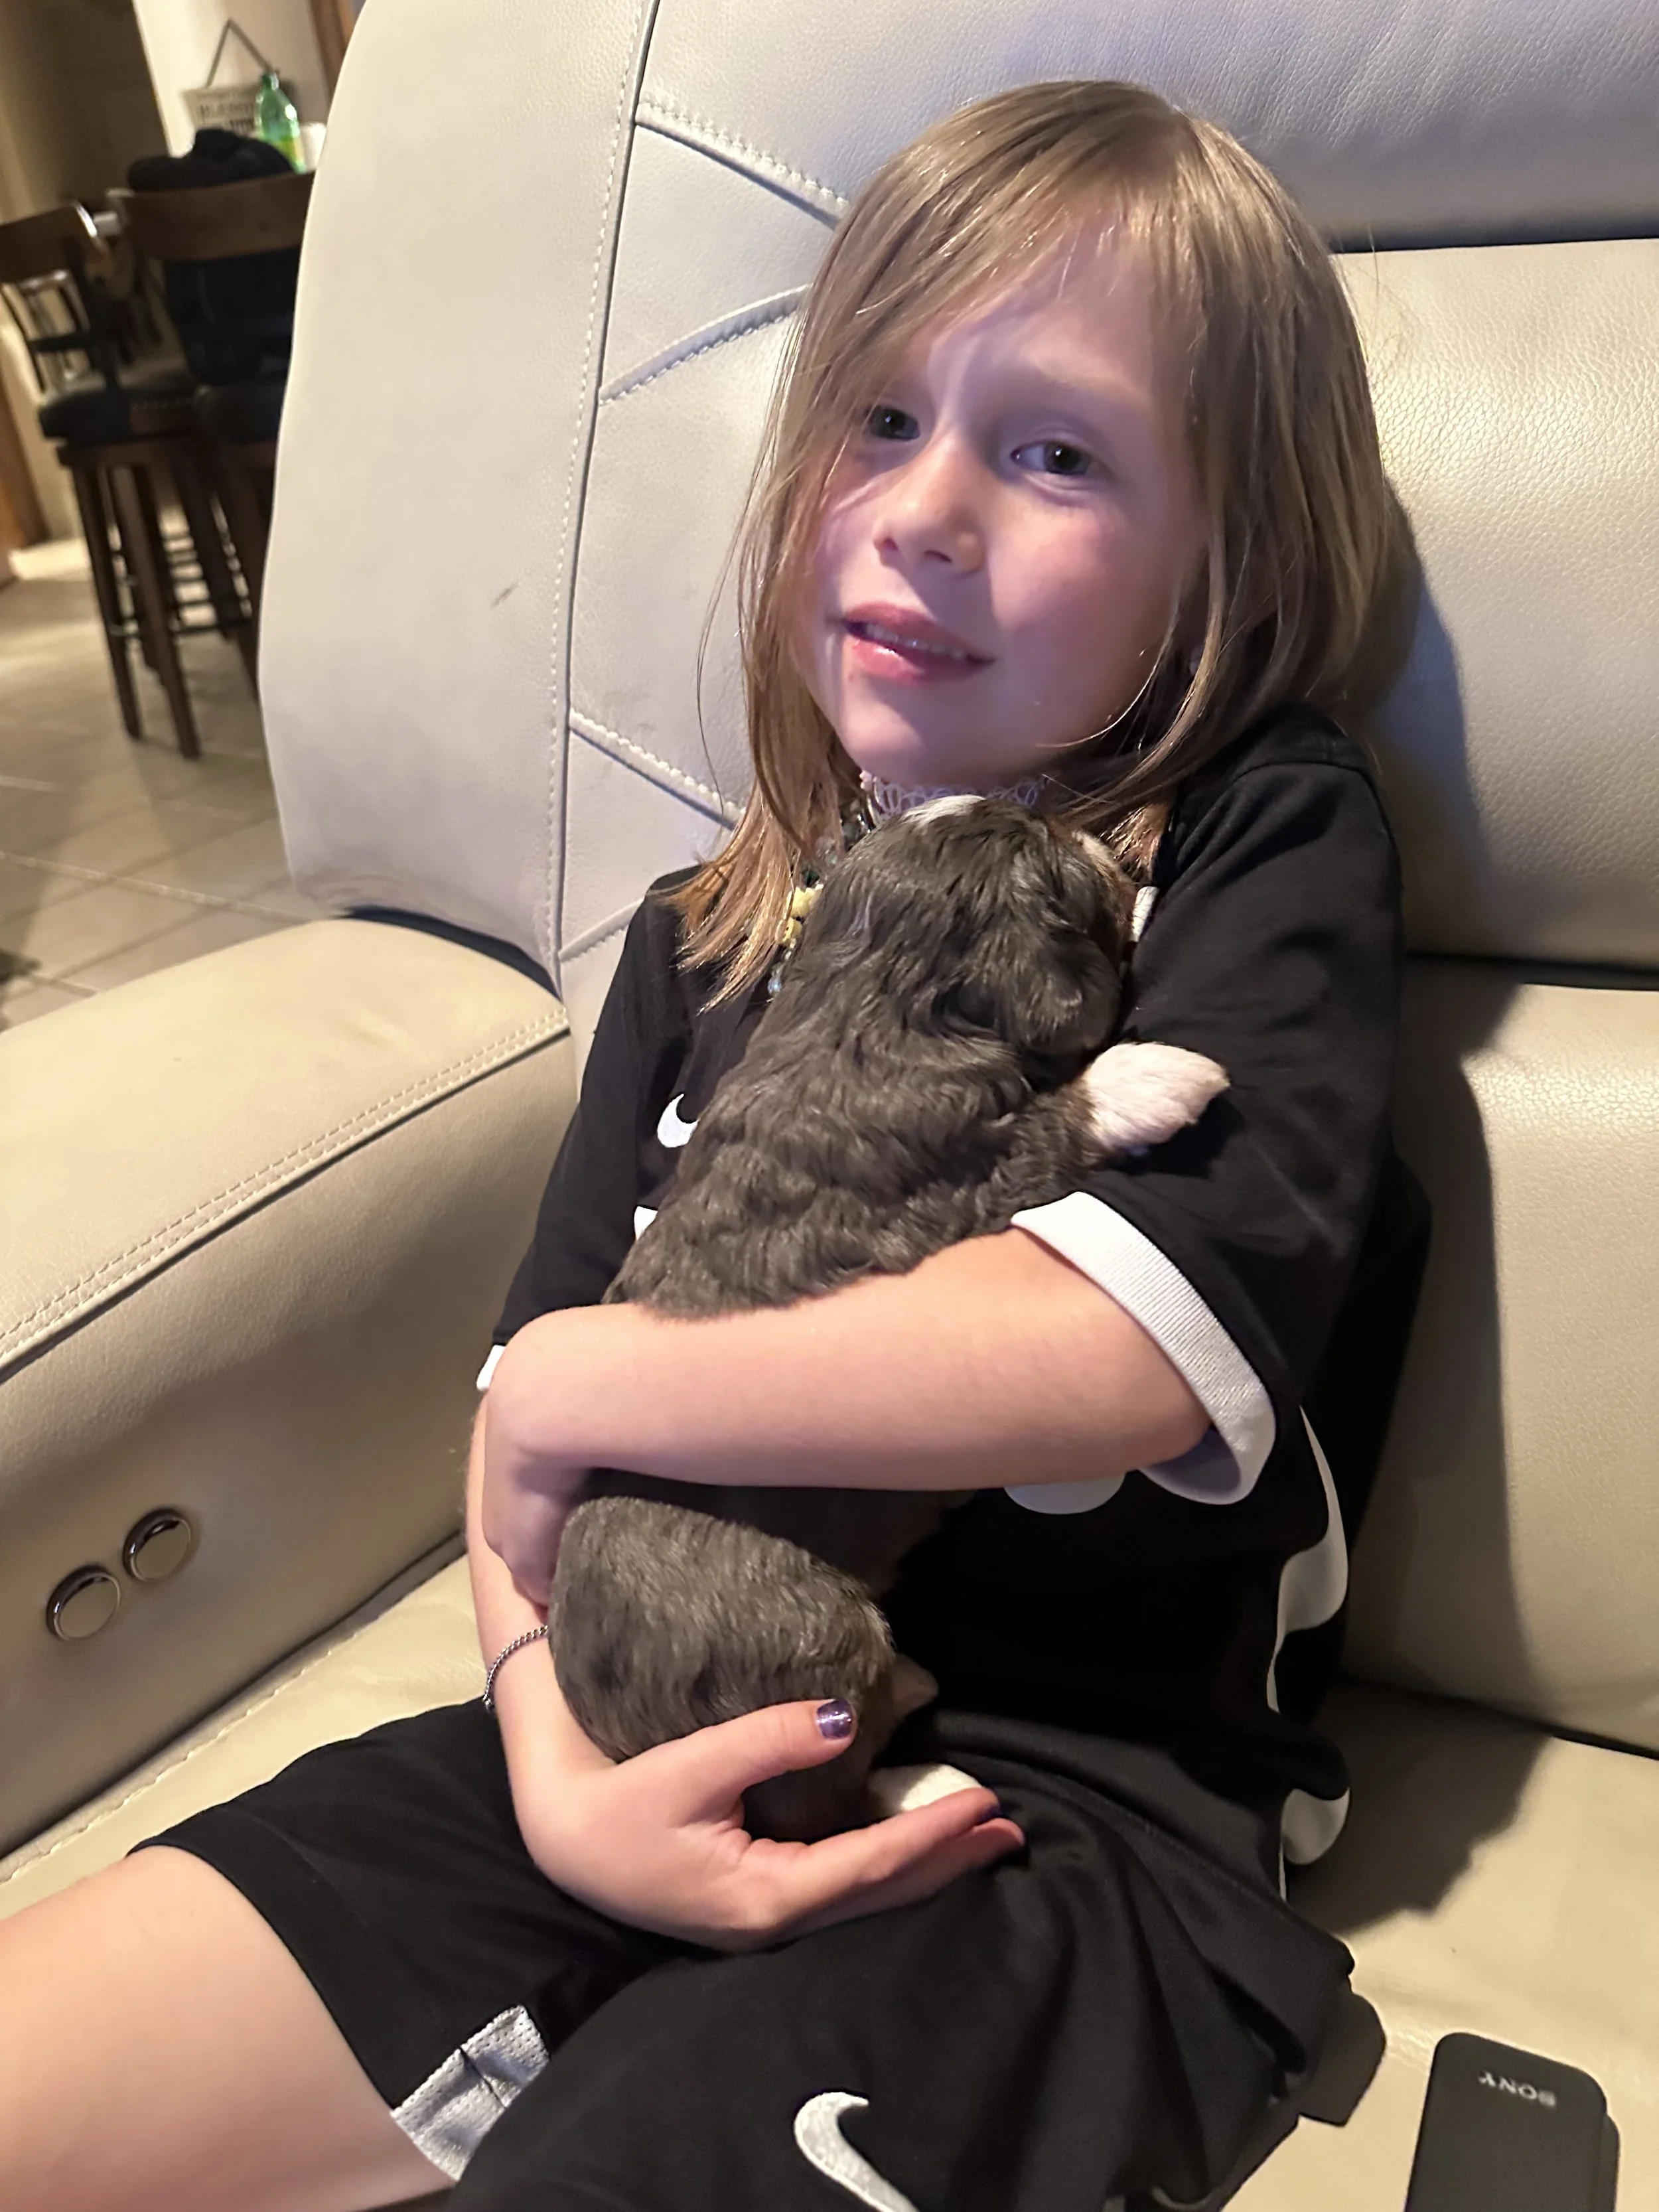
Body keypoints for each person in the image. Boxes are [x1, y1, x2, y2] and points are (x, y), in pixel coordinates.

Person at [0, 80, 1427, 2212]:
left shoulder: (1251, 839)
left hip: (1042, 1814)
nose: (925, 507)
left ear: (1232, 552)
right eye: (875, 420)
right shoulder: (708, 930)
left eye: (1051, 452)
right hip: (611, 1722)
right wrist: (553, 1764)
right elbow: (522, 1469)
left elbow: (1132, 1338)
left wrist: (598, 1379)